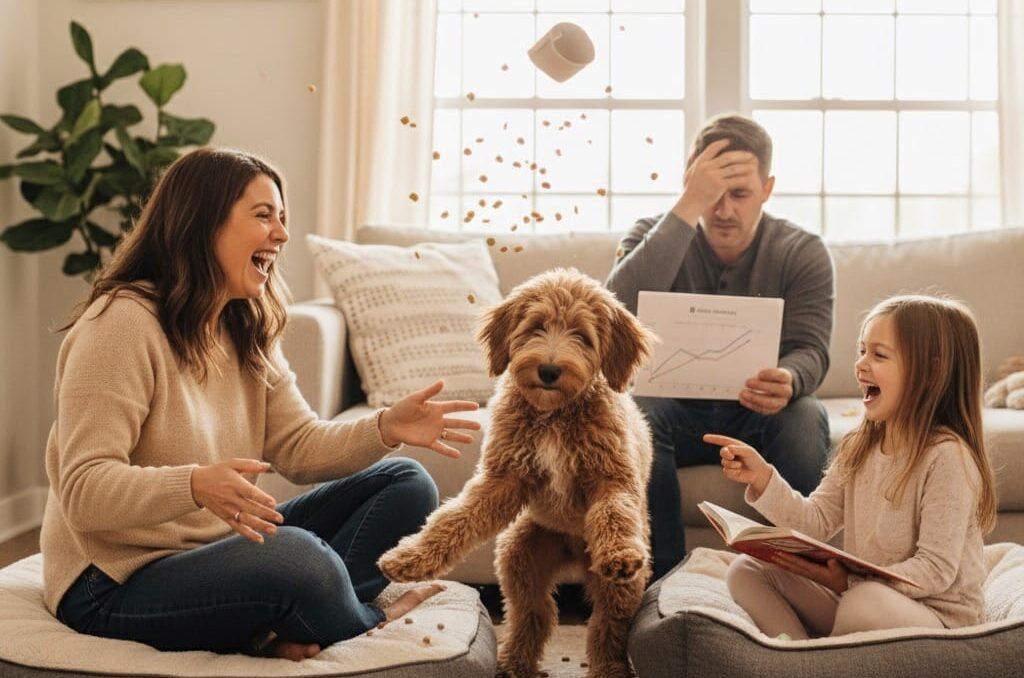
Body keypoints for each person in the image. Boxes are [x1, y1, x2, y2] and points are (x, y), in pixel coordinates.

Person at [41, 147, 481, 661]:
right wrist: (195, 484)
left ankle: (295, 616)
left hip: (214, 552)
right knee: (294, 558)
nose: (282, 234)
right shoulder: (120, 325)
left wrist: (385, 427)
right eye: (263, 215)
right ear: (203, 224)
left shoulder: (242, 324)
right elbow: (83, 491)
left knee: (405, 483)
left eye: (282, 217)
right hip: (113, 581)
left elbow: (299, 448)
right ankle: (362, 620)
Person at [605, 114, 834, 580]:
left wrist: (789, 379)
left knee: (806, 416)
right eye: (713, 193)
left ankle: (800, 575)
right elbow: (613, 313)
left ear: (767, 189)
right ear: (691, 184)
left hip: (758, 412)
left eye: (741, 194)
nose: (724, 209)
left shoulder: (802, 250)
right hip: (673, 413)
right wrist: (688, 207)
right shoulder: (652, 234)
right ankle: (657, 581)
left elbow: (811, 347)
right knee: (636, 412)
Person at [709, 294, 997, 639]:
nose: (860, 365)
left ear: (931, 371)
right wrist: (763, 477)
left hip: (936, 618)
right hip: (861, 596)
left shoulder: (947, 456)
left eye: (879, 355)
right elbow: (814, 522)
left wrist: (850, 582)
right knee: (747, 571)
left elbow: (935, 570)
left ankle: (823, 657)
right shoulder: (860, 445)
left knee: (862, 603)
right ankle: (800, 662)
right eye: (862, 351)